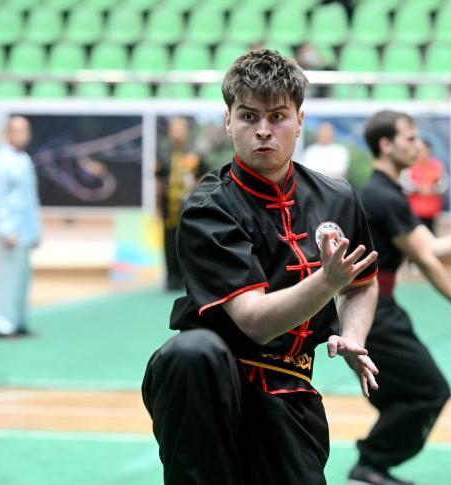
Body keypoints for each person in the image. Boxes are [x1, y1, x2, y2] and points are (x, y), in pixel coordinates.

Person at [141, 50, 380, 485]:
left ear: (300, 120)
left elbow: (361, 282)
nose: (264, 130)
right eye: (249, 116)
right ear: (228, 121)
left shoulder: (338, 197)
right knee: (190, 353)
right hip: (213, 386)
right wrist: (326, 281)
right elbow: (255, 322)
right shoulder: (209, 208)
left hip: (290, 383)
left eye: (278, 116)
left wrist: (353, 335)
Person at [348, 110, 451, 485]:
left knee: (406, 392)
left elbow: (427, 259)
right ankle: (370, 464)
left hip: (378, 306)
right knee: (430, 391)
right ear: (386, 145)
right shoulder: (382, 195)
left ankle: (371, 466)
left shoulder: (386, 191)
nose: (419, 146)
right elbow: (430, 252)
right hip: (371, 310)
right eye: (411, 138)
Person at [0, 116, 41, 338]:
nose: (24, 135)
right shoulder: (2, 161)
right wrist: (5, 229)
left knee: (22, 278)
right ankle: (3, 325)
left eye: (26, 130)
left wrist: (35, 230)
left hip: (25, 230)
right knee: (7, 279)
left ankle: (19, 322)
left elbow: (30, 198)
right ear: (9, 133)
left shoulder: (24, 159)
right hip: (10, 230)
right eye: (19, 130)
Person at [155, 116, 208, 290]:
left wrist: (195, 185)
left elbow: (206, 177)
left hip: (189, 208)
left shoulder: (195, 153)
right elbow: (158, 181)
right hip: (168, 208)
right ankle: (171, 278)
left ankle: (189, 279)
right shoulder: (163, 153)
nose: (177, 132)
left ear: (186, 131)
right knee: (169, 243)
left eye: (180, 128)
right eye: (174, 128)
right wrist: (157, 207)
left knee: (187, 242)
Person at [400, 138, 448, 233]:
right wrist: (419, 188)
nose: (423, 154)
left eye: (426, 151)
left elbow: (444, 184)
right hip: (414, 211)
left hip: (432, 211)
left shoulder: (437, 165)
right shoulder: (410, 165)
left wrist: (432, 189)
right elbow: (404, 184)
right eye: (421, 151)